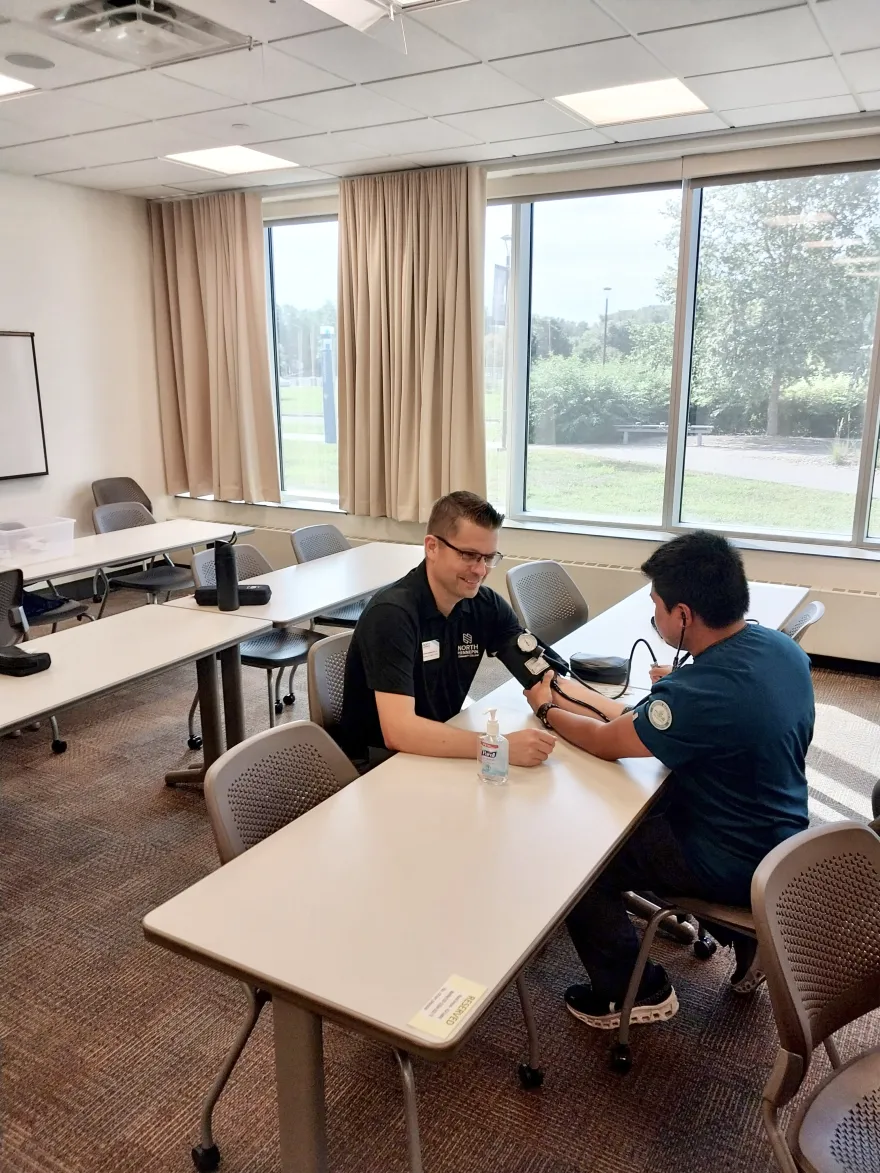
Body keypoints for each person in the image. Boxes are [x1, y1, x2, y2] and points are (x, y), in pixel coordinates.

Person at [523, 530, 814, 1031]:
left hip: (727, 855)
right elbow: (639, 720)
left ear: (683, 615)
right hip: (781, 837)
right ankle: (748, 944)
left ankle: (631, 993)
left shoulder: (701, 693)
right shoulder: (777, 648)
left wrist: (547, 707)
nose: (653, 618)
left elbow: (604, 741)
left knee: (581, 854)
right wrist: (596, 698)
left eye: (656, 606)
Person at [336, 490, 556, 770]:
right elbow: (399, 732)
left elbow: (542, 674)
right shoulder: (392, 614)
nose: (480, 570)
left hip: (438, 745)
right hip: (380, 765)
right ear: (432, 547)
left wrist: (613, 716)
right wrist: (497, 747)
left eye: (489, 557)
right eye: (468, 555)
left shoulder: (484, 604)